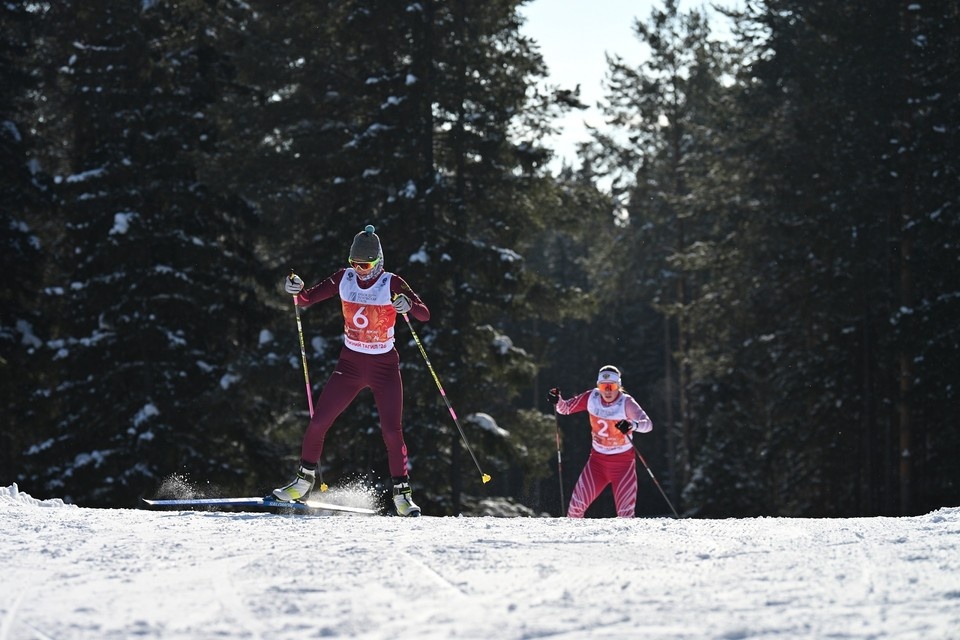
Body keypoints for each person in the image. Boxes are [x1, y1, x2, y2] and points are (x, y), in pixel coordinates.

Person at [274, 224, 430, 517]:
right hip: (350, 364)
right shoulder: (343, 279)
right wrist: (295, 289)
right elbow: (306, 298)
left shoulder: (391, 282)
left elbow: (424, 314)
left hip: (384, 367)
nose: (359, 269)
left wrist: (407, 305)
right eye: (354, 263)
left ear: (378, 262)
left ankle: (402, 495)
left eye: (365, 264)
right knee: (319, 422)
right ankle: (302, 483)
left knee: (391, 431)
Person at [548, 365, 652, 518]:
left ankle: (624, 542)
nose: (608, 391)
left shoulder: (626, 402)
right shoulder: (592, 398)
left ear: (619, 386)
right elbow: (565, 409)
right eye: (604, 386)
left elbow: (648, 424)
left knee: (625, 516)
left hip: (623, 466)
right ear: (598, 386)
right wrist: (557, 400)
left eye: (612, 386)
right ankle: (572, 540)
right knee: (575, 509)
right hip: (597, 464)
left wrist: (632, 425)